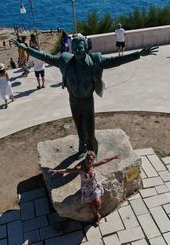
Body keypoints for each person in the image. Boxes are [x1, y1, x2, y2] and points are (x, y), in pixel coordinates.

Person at [13, 34, 158, 154]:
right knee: (78, 127)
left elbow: (116, 60)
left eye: (80, 47)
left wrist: (138, 54)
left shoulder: (96, 60)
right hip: (73, 100)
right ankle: (81, 145)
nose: (77, 50)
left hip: (88, 101)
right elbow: (46, 57)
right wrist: (27, 50)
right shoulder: (64, 61)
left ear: (86, 48)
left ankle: (92, 148)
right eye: (74, 47)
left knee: (90, 129)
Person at [49, 151, 119, 225]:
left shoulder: (93, 165)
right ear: (85, 159)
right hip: (86, 190)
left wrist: (114, 157)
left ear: (93, 161)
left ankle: (96, 212)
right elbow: (68, 170)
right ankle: (97, 216)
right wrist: (57, 171)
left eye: (91, 160)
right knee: (91, 204)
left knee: (98, 202)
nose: (89, 161)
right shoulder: (80, 168)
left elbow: (104, 161)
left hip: (95, 187)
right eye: (88, 159)